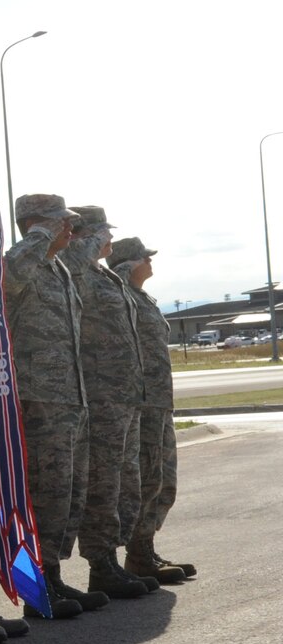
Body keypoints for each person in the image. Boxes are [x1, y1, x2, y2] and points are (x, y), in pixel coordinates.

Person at [1, 194, 98, 619]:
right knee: (45, 493)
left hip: (67, 398)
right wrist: (40, 232)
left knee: (66, 496)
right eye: (62, 223)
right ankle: (38, 588)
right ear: (37, 224)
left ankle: (53, 576)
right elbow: (7, 277)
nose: (70, 231)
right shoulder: (23, 262)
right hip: (38, 399)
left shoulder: (57, 268)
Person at [61, 207, 154, 599]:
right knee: (102, 484)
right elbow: (66, 259)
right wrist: (87, 241)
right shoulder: (75, 266)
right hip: (100, 397)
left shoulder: (104, 275)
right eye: (101, 232)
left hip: (124, 396)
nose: (107, 239)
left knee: (123, 484)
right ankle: (100, 564)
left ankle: (113, 562)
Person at [111, 237, 194, 583]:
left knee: (161, 479)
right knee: (143, 479)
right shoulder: (120, 297)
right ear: (130, 264)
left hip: (158, 402)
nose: (150, 261)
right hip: (141, 403)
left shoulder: (143, 297)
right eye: (145, 256)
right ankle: (138, 554)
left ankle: (145, 548)